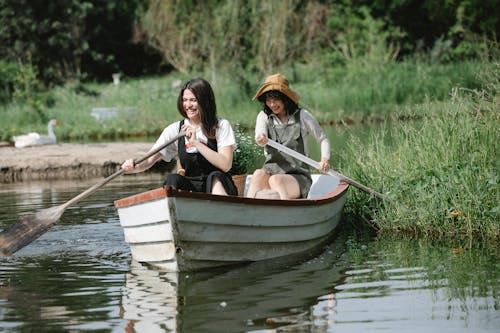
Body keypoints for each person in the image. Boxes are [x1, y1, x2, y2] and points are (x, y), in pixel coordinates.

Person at [121, 78, 238, 196]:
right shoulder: (174, 130)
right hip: (191, 186)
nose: (188, 105)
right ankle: (173, 210)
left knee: (214, 177)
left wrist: (196, 142)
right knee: (173, 179)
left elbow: (225, 165)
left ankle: (219, 210)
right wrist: (134, 166)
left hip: (219, 185)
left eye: (193, 100)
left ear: (205, 101)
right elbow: (150, 159)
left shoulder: (221, 126)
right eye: (185, 100)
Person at [246, 73, 331, 199]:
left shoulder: (302, 116)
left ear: (285, 98)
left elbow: (323, 139)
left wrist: (325, 159)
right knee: (258, 174)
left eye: (276, 99)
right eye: (268, 100)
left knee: (276, 180)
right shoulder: (263, 117)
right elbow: (259, 134)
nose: (272, 104)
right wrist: (261, 138)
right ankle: (246, 210)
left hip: (298, 177)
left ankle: (288, 214)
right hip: (271, 173)